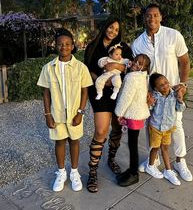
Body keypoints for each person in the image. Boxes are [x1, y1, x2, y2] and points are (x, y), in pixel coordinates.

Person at [132, 3, 193, 182]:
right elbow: (139, 72)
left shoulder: (173, 35)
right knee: (152, 126)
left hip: (171, 91)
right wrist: (145, 94)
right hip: (152, 95)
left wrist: (183, 84)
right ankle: (154, 159)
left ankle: (180, 161)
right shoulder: (138, 43)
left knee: (176, 125)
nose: (152, 18)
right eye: (148, 15)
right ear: (144, 18)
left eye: (155, 15)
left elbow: (185, 61)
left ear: (161, 17)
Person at [37, 28, 93, 192]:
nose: (64, 47)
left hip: (75, 113)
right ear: (55, 46)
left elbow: (85, 91)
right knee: (60, 141)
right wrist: (47, 114)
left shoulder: (80, 67)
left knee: (74, 141)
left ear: (72, 45)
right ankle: (61, 172)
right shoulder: (48, 68)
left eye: (67, 44)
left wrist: (81, 112)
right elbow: (46, 93)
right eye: (60, 44)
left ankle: (74, 172)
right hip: (57, 113)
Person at [84, 16, 133, 193]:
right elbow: (87, 71)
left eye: (116, 29)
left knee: (117, 128)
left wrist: (116, 66)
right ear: (105, 27)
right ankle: (93, 171)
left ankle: (111, 159)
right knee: (101, 130)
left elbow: (130, 67)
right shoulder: (93, 47)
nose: (113, 31)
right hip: (99, 94)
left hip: (119, 94)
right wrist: (102, 81)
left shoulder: (124, 48)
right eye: (111, 27)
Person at [115, 54, 151, 187]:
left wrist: (119, 113)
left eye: (140, 63)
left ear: (144, 67)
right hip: (137, 114)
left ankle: (134, 174)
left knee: (132, 145)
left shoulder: (132, 77)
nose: (136, 63)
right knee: (132, 144)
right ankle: (131, 169)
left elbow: (126, 97)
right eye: (135, 60)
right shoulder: (141, 77)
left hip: (133, 114)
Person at [146, 73, 186, 186]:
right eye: (161, 85)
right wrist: (149, 103)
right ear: (156, 88)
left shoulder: (174, 95)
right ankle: (150, 166)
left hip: (168, 128)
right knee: (155, 148)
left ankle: (168, 171)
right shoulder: (155, 96)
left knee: (165, 148)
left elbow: (180, 108)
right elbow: (150, 108)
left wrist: (180, 99)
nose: (165, 85)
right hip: (156, 128)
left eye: (166, 82)